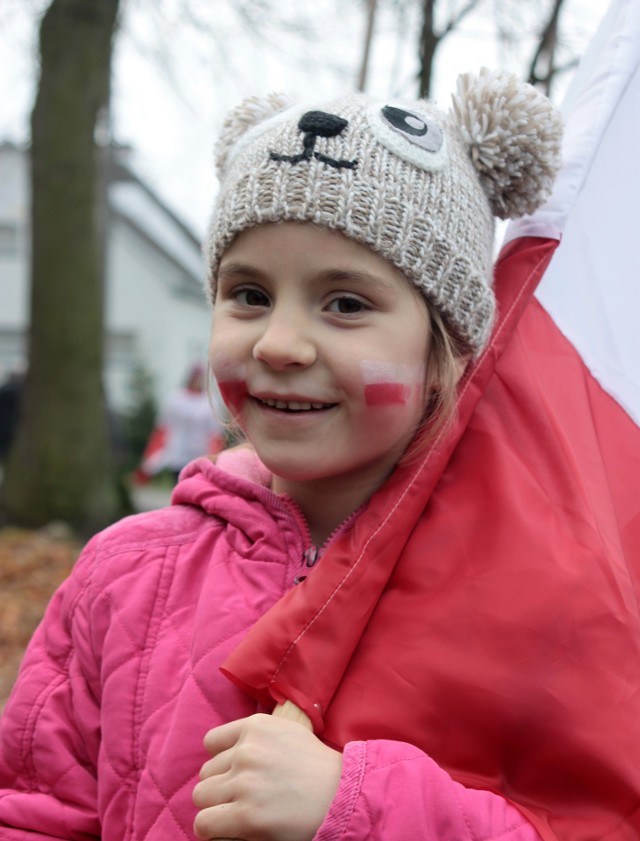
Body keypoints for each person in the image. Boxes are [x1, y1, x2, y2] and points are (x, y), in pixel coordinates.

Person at [0, 68, 628, 841]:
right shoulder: (120, 574)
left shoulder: (535, 590)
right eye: (249, 294)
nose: (280, 343)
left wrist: (357, 806)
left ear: (446, 351)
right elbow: (34, 811)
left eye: (346, 303)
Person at [136, 363, 226, 483]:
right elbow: (163, 428)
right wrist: (152, 457)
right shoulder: (175, 398)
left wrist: (214, 457)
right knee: (179, 484)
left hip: (200, 455)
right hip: (177, 454)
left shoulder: (209, 402)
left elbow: (215, 434)